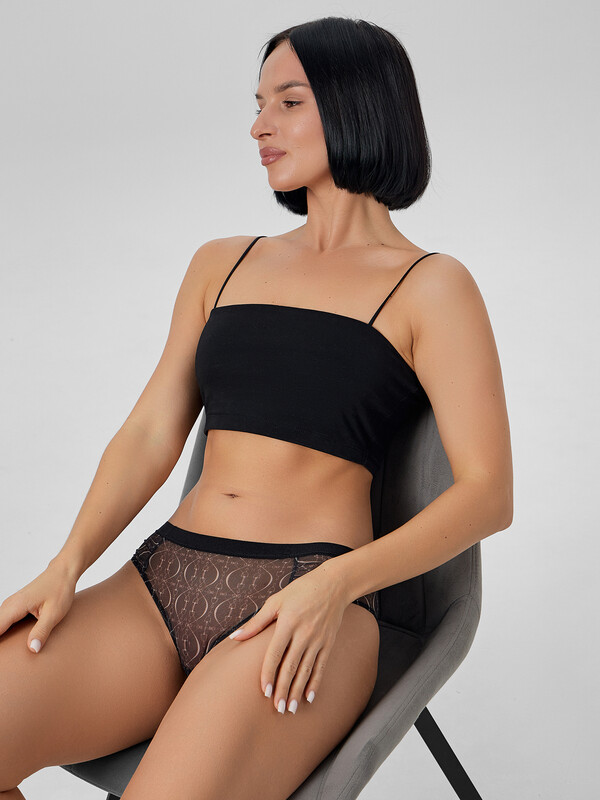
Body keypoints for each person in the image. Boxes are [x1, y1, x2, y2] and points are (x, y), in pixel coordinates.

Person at [0, 16, 513, 800]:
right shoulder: (223, 263)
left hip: (310, 601)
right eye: (259, 104)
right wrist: (66, 564)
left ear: (356, 106)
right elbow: (151, 431)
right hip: (160, 584)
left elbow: (487, 493)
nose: (258, 126)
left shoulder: (433, 286)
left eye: (288, 102)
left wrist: (337, 585)